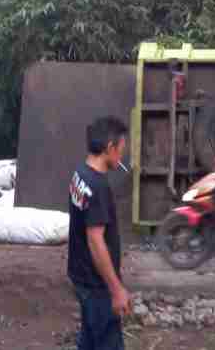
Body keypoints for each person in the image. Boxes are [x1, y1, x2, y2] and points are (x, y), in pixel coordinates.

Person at [68, 116, 131, 350]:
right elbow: (96, 241)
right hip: (97, 283)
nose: (122, 156)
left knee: (90, 338)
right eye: (121, 149)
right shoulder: (98, 186)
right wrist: (116, 289)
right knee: (107, 341)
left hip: (80, 274)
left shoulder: (80, 173)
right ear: (109, 148)